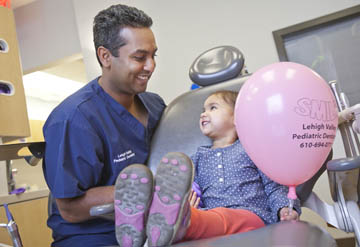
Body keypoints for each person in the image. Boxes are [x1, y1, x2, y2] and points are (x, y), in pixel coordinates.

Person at [42, 4, 165, 247]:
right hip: (95, 238)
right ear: (105, 56)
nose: (150, 66)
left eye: (153, 55)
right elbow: (69, 208)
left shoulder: (155, 105)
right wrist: (149, 187)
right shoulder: (73, 119)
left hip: (150, 230)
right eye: (140, 57)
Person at [116, 90, 301, 247]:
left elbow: (274, 186)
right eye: (203, 110)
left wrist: (284, 209)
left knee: (214, 219)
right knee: (198, 218)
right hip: (210, 217)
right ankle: (145, 220)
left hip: (252, 217)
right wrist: (186, 202)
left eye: (213, 108)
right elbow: (190, 189)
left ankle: (175, 222)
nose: (203, 114)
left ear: (237, 117)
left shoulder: (251, 149)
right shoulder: (197, 159)